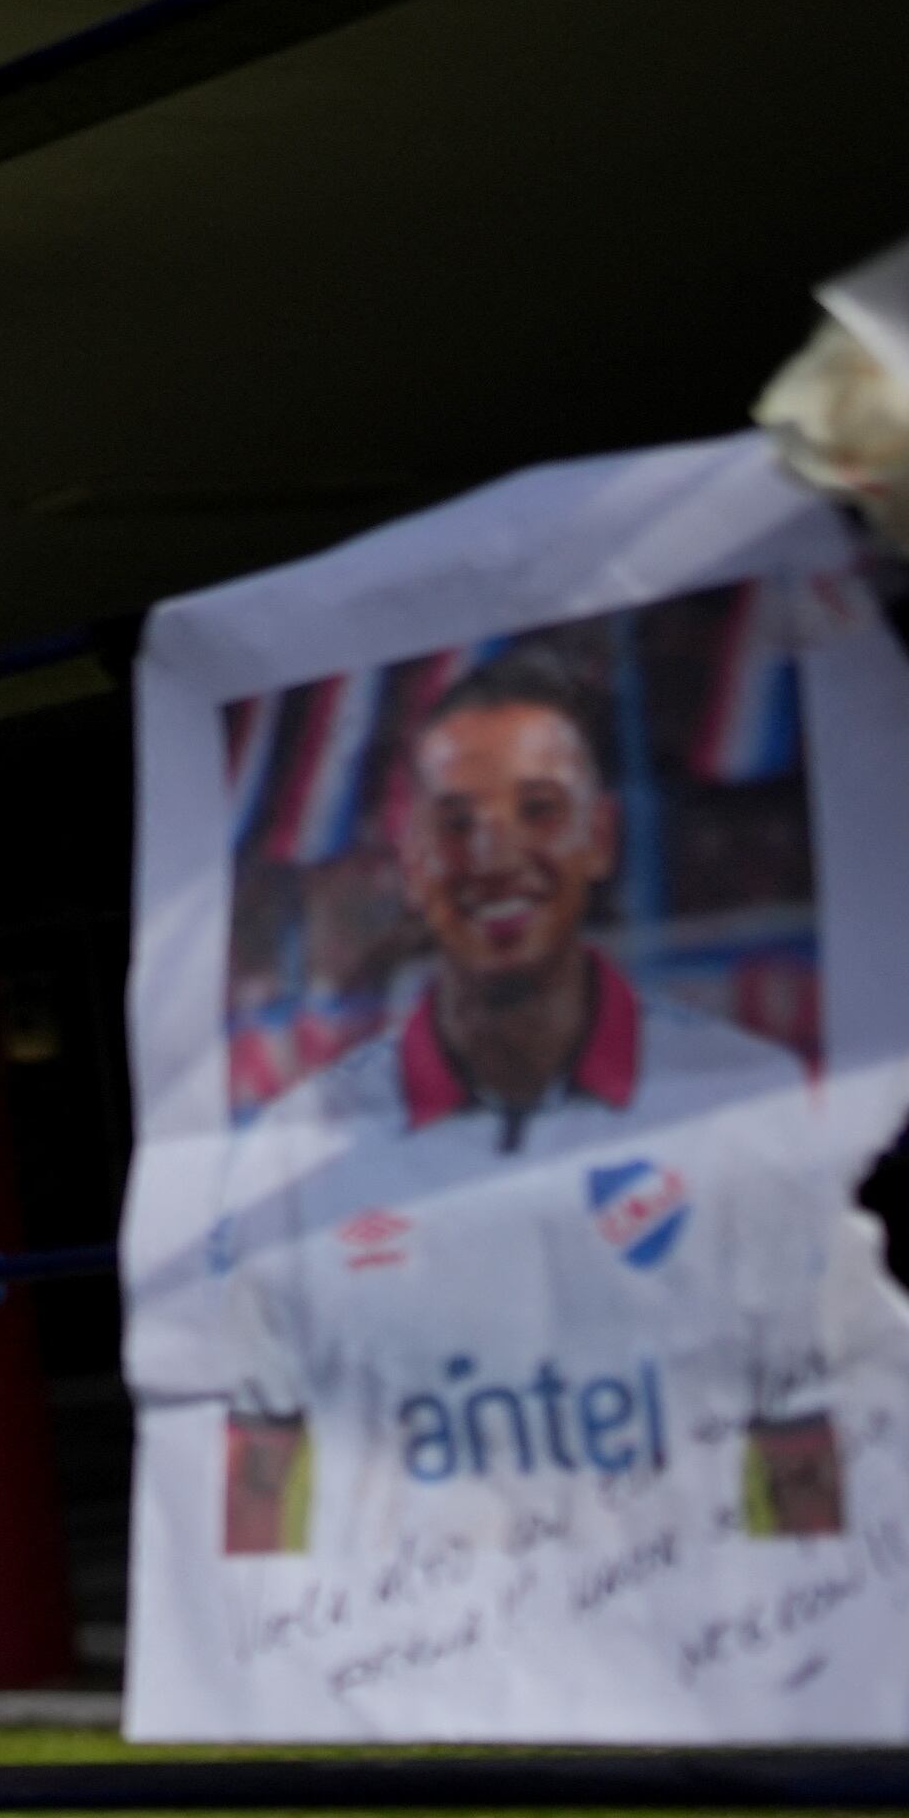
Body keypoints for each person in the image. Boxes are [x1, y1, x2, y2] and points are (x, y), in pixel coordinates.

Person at [180, 654, 841, 1556]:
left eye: (538, 811)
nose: (494, 857)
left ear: (599, 835)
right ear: (412, 862)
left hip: (674, 1666)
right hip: (411, 1672)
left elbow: (802, 1444)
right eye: (456, 823)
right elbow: (257, 1464)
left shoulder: (741, 1101)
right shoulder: (297, 1145)